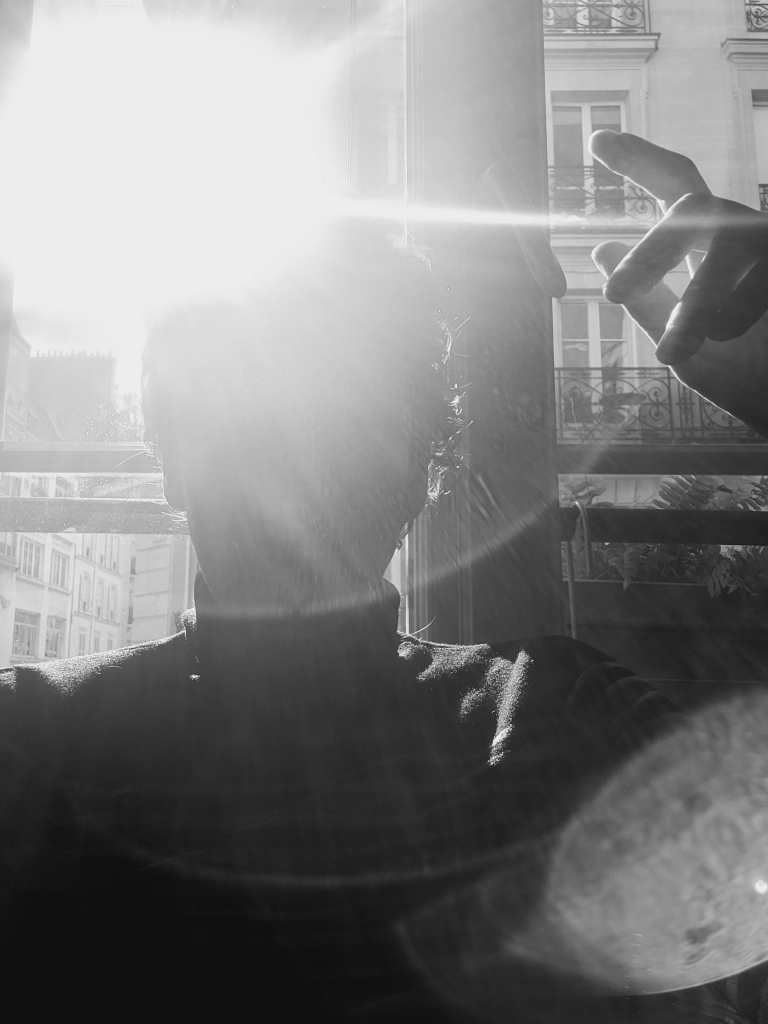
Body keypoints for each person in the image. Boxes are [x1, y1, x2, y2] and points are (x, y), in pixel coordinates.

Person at [0, 133, 765, 1021]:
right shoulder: (550, 712)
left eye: (346, 399)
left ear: (421, 469)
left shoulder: (561, 705)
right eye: (249, 397)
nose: (296, 441)